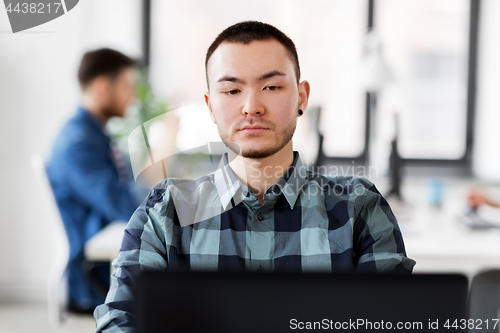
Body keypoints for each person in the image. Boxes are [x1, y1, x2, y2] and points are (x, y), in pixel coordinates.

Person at [94, 21, 415, 331]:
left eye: (271, 86)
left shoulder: (359, 209)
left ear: (302, 97)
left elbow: (396, 320)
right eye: (232, 90)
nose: (251, 106)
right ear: (210, 105)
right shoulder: (165, 212)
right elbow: (119, 319)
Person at [47, 48, 143, 313]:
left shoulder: (93, 135)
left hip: (110, 260)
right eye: (127, 87)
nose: (133, 96)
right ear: (102, 87)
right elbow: (127, 207)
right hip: (95, 276)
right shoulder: (78, 144)